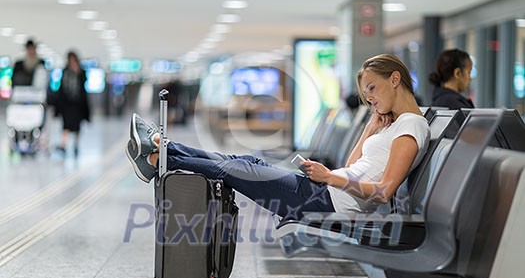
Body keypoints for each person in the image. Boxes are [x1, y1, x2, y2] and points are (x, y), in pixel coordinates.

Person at [125, 54, 430, 219]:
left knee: (236, 169)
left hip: (326, 202)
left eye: (372, 90)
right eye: (366, 94)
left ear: (395, 79)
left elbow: (383, 192)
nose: (370, 100)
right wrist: (369, 128)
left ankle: (157, 155)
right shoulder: (393, 124)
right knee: (242, 160)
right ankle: (163, 148)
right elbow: (353, 165)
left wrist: (328, 178)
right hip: (323, 192)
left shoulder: (412, 125)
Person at [54, 51, 91, 156]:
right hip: (67, 105)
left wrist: (78, 72)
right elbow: (61, 88)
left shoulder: (81, 72)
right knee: (65, 126)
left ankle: (76, 145)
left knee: (77, 127)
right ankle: (63, 145)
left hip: (78, 105)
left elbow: (84, 86)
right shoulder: (65, 71)